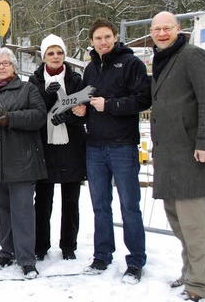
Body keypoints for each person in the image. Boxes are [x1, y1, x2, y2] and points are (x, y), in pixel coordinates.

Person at [149, 12, 205, 301]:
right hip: (169, 156)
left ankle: (201, 286)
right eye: (157, 29)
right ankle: (191, 272)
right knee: (177, 221)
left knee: (194, 224)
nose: (162, 33)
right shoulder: (163, 59)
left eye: (167, 28)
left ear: (179, 29)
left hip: (192, 154)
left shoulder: (193, 55)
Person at [73, 18, 151, 284]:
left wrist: (111, 105)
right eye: (98, 38)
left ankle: (136, 261)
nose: (103, 42)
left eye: (107, 37)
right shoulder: (90, 68)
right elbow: (86, 102)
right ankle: (102, 255)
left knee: (129, 206)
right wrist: (81, 111)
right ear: (92, 41)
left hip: (123, 146)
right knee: (99, 206)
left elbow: (143, 99)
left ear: (115, 37)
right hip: (94, 146)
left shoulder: (132, 64)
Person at [0, 47, 48, 278]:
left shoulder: (27, 89)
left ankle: (26, 259)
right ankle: (6, 252)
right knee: (2, 210)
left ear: (14, 67)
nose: (1, 67)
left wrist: (10, 119)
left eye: (6, 63)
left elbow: (39, 116)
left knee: (23, 211)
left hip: (22, 161)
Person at [29, 34, 87, 261]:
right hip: (45, 146)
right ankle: (40, 245)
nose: (55, 57)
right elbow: (34, 110)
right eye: (50, 53)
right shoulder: (35, 81)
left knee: (71, 200)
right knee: (43, 200)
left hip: (71, 145)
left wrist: (68, 118)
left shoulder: (75, 80)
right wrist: (47, 96)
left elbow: (84, 112)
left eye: (59, 52)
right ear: (43, 56)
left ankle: (69, 245)